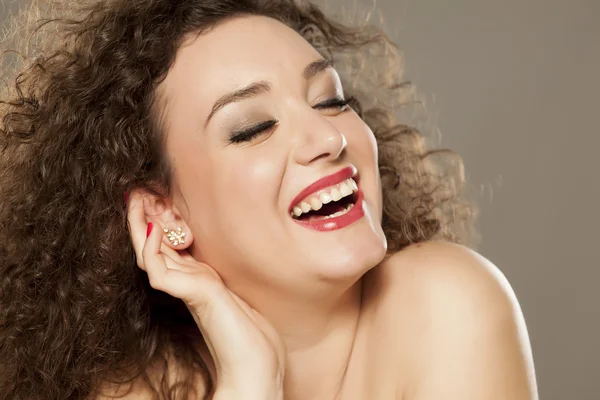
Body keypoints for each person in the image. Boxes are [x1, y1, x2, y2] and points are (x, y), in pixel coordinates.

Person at [0, 0, 538, 399]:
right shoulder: (128, 390)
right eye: (252, 128)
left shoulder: (445, 304)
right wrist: (250, 384)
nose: (329, 139)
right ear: (165, 213)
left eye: (330, 100)